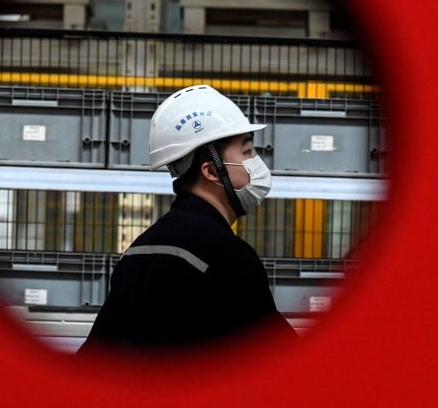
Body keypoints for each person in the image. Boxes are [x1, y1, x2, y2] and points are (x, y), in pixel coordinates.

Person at [78, 84, 297, 353]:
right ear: (211, 171)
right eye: (247, 152)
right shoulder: (227, 256)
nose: (256, 162)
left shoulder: (138, 250)